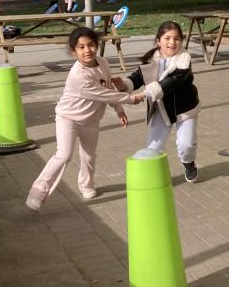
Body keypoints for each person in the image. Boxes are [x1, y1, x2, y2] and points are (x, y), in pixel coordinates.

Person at [26, 27, 144, 209]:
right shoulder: (78, 76)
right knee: (63, 155)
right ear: (73, 51)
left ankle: (86, 185)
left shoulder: (103, 63)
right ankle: (37, 192)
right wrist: (131, 99)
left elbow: (108, 88)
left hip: (91, 120)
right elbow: (104, 94)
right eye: (81, 47)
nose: (87, 50)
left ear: (97, 46)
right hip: (68, 119)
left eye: (90, 45)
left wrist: (119, 110)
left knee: (89, 156)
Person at [121, 21, 200, 183]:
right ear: (158, 41)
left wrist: (143, 94)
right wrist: (122, 84)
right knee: (153, 148)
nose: (172, 42)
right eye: (167, 38)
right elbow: (137, 77)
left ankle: (188, 163)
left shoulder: (184, 61)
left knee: (186, 144)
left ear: (181, 41)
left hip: (185, 109)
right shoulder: (151, 60)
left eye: (177, 39)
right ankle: (152, 176)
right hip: (162, 109)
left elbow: (170, 83)